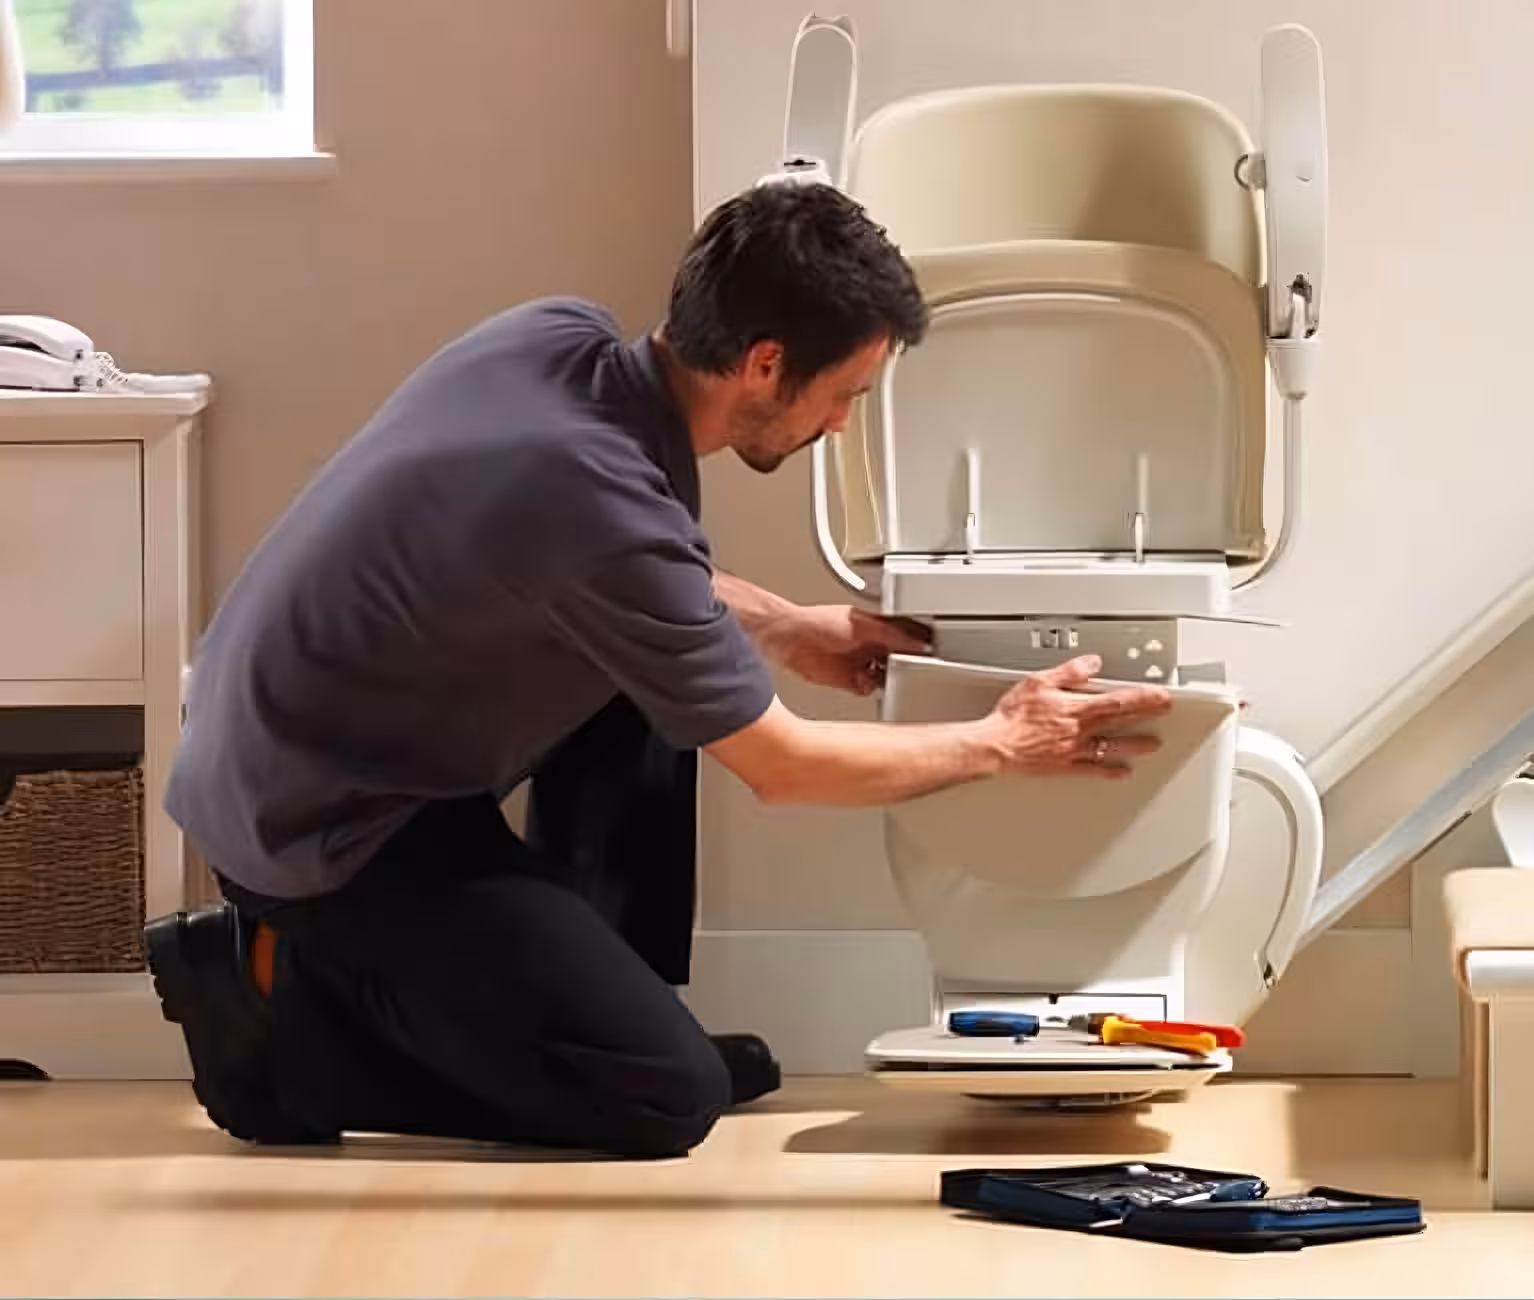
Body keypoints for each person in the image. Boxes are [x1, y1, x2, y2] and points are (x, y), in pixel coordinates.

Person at [148, 181, 1171, 1159]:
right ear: (765, 364)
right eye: (843, 395)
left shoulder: (553, 338)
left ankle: (599, 1010)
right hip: (322, 831)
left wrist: (783, 625)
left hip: (303, 751)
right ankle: (280, 1023)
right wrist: (1002, 741)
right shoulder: (600, 499)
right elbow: (786, 766)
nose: (839, 424)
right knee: (668, 1095)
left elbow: (593, 568)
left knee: (664, 686)